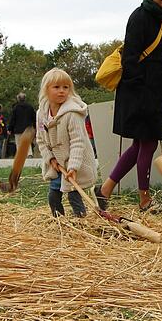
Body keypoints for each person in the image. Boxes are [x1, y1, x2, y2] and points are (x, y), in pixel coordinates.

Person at [95, 0, 162, 212]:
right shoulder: (140, 17)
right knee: (148, 145)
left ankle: (105, 190)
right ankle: (144, 199)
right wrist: (142, 91)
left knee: (140, 146)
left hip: (153, 90)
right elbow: (130, 57)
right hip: (139, 91)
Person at [36, 68, 96, 217]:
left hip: (73, 163)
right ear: (46, 90)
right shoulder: (41, 114)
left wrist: (73, 167)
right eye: (56, 87)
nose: (62, 91)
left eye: (66, 87)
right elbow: (40, 139)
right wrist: (50, 159)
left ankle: (81, 221)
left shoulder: (72, 114)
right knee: (53, 196)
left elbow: (78, 142)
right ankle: (59, 222)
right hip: (56, 164)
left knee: (73, 195)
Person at [7, 92, 36, 158]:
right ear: (25, 99)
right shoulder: (30, 107)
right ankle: (29, 154)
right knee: (27, 142)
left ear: (18, 99)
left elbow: (13, 119)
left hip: (18, 129)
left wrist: (9, 129)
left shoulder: (15, 108)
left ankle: (20, 155)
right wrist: (34, 126)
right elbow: (34, 117)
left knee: (18, 142)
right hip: (28, 128)